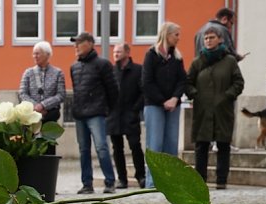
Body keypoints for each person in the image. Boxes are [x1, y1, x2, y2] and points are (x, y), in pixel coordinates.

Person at [186, 26, 244, 190]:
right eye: (206, 38)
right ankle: (200, 182)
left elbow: (238, 83)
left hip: (222, 110)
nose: (208, 41)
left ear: (220, 39)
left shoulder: (230, 61)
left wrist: (227, 96)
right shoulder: (198, 61)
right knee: (201, 146)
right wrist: (195, 94)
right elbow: (188, 82)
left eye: (211, 37)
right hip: (202, 110)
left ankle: (221, 180)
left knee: (223, 144)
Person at [69, 31, 119, 194]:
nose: (75, 46)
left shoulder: (103, 64)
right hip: (80, 114)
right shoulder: (74, 67)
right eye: (75, 43)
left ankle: (110, 182)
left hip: (97, 112)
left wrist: (108, 109)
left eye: (79, 42)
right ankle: (87, 184)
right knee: (84, 149)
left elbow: (113, 90)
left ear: (90, 43)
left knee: (101, 147)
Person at [142, 22, 186, 188]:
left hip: (173, 106)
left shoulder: (177, 57)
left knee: (171, 145)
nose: (178, 38)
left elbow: (182, 80)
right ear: (167, 35)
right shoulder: (151, 55)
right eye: (176, 35)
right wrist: (162, 100)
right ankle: (152, 183)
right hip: (154, 105)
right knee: (155, 145)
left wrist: (175, 98)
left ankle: (171, 183)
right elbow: (146, 82)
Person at [107, 43, 145, 189]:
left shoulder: (137, 70)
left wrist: (136, 108)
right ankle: (122, 179)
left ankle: (141, 176)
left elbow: (143, 91)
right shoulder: (111, 71)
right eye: (114, 52)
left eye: (119, 51)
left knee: (135, 145)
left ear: (128, 53)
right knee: (117, 148)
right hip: (114, 115)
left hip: (130, 113)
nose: (116, 54)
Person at [18, 41, 66, 127]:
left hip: (50, 116)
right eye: (33, 54)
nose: (34, 56)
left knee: (49, 140)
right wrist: (36, 107)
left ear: (47, 54)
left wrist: (43, 105)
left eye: (37, 54)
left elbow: (61, 95)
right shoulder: (28, 73)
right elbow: (22, 93)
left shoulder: (58, 73)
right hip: (30, 116)